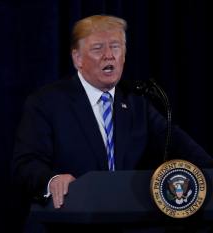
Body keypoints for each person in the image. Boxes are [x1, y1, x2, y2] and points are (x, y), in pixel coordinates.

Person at [12, 15, 213, 232]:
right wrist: (51, 180)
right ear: (77, 58)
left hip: (128, 224)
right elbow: (26, 163)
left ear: (124, 56)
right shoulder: (46, 102)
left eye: (115, 47)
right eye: (98, 48)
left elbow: (184, 148)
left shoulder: (138, 103)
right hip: (66, 224)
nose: (109, 55)